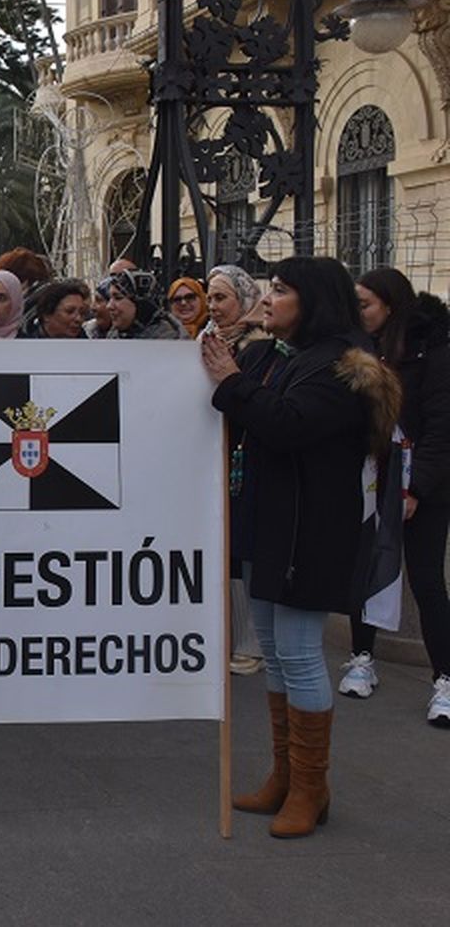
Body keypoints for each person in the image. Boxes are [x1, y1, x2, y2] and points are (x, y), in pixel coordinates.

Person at [202, 255, 400, 838]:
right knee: (273, 645)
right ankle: (285, 777)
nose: (269, 299)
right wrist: (235, 361)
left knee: (299, 650)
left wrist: (231, 384)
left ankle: (310, 788)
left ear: (312, 300)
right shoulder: (283, 353)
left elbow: (286, 423)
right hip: (271, 524)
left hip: (308, 531)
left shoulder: (341, 367)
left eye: (281, 290)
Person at [338, 268, 450, 725]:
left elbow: (442, 429)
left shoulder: (435, 351)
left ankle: (444, 678)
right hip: (372, 476)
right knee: (363, 571)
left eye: (364, 304)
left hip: (423, 483)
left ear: (390, 304)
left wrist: (415, 488)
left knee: (426, 580)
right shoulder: (360, 350)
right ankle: (361, 658)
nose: (358, 312)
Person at [200, 264, 271, 677]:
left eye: (221, 297)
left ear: (244, 299)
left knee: (243, 548)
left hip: (243, 459)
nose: (213, 306)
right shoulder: (206, 341)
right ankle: (226, 636)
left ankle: (251, 643)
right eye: (211, 297)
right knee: (222, 550)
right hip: (213, 458)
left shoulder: (257, 345)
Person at [106, 270, 183, 339]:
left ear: (141, 305)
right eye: (109, 298)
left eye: (118, 298)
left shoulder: (168, 341)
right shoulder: (114, 335)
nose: (109, 306)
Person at [22, 280, 89, 339]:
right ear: (46, 315)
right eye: (69, 311)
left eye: (82, 313)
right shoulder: (25, 344)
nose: (78, 319)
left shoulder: (88, 346)